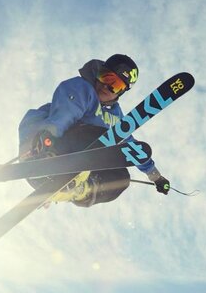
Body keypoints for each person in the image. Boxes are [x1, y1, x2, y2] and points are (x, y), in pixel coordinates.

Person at [17, 54, 171, 207]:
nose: (106, 86)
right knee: (98, 135)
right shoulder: (83, 88)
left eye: (115, 85)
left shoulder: (116, 117)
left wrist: (155, 176)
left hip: (74, 166)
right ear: (98, 73)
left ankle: (81, 190)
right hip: (44, 146)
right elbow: (65, 114)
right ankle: (54, 164)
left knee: (121, 178)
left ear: (121, 92)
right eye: (106, 77)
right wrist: (47, 140)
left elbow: (131, 146)